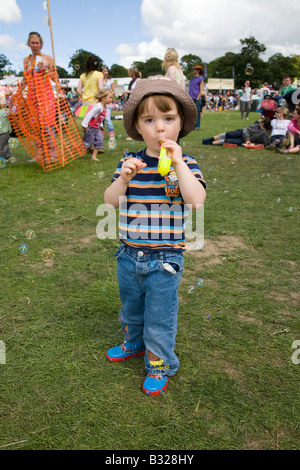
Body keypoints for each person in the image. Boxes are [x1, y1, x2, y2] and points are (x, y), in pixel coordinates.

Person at [104, 76, 206, 396]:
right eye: (149, 120)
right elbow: (110, 202)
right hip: (129, 254)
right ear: (136, 125)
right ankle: (134, 342)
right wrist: (122, 180)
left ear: (181, 124)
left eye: (168, 118)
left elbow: (196, 200)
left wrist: (177, 163)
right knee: (132, 307)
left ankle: (159, 361)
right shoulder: (129, 163)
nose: (159, 128)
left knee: (160, 315)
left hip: (165, 259)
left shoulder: (186, 164)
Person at [81, 90, 113, 161]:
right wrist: (84, 125)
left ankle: (94, 157)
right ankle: (78, 149)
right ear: (103, 98)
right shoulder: (98, 106)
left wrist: (101, 126)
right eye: (110, 97)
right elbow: (89, 115)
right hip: (90, 128)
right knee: (88, 143)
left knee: (99, 141)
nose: (111, 99)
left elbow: (100, 118)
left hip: (97, 128)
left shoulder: (104, 107)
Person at [202, 116, 271, 148]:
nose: (260, 122)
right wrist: (247, 139)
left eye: (261, 121)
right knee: (228, 134)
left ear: (263, 123)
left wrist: (252, 143)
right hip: (242, 133)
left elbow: (265, 143)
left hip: (243, 141)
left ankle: (209, 143)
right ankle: (209, 139)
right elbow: (246, 129)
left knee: (227, 140)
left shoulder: (265, 133)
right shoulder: (256, 125)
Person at [188, 65, 205, 130]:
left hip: (196, 98)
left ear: (198, 70)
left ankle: (197, 126)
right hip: (190, 98)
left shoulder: (200, 79)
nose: (193, 71)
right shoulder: (192, 79)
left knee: (197, 113)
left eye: (195, 69)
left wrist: (198, 98)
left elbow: (201, 90)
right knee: (191, 113)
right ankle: (192, 126)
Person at [102, 66, 116, 141]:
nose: (105, 72)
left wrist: (109, 96)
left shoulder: (110, 81)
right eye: (104, 71)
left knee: (108, 118)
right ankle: (102, 134)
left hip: (107, 102)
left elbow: (113, 91)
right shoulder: (99, 80)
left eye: (106, 71)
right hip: (101, 101)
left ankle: (111, 134)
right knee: (101, 119)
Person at [0, 87, 13, 161]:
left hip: (4, 132)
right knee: (4, 145)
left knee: (2, 146)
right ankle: (8, 156)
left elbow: (14, 112)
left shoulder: (6, 111)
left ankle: (1, 159)